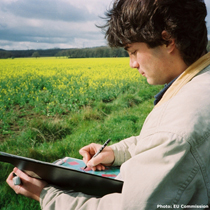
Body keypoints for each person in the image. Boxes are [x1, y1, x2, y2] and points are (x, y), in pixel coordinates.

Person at [6, 0, 210, 209]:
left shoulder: (178, 127)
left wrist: (46, 195)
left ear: (167, 41)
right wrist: (116, 153)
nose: (132, 64)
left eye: (133, 51)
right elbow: (162, 142)